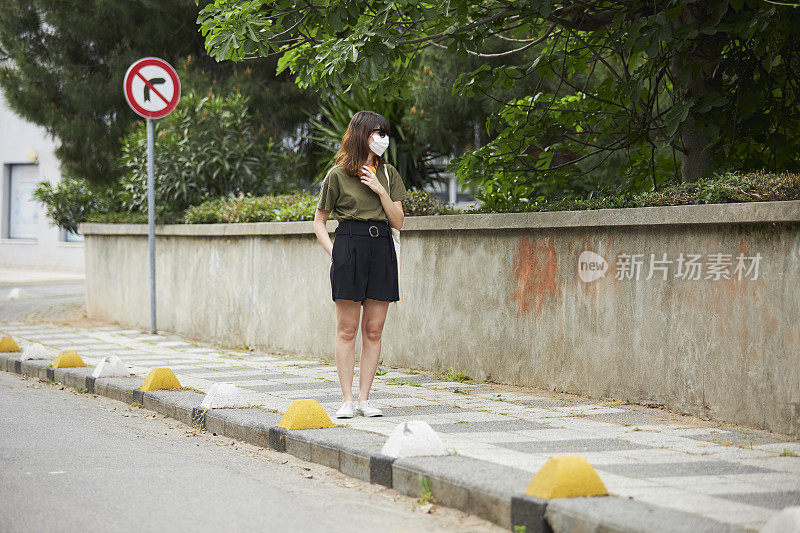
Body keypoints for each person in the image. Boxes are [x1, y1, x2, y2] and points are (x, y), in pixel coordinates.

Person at [313, 111, 410, 419]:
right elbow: (319, 222)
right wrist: (335, 253)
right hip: (349, 245)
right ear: (361, 135)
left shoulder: (389, 173)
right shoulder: (337, 174)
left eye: (385, 132)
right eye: (376, 132)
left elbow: (398, 221)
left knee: (374, 329)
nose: (382, 138)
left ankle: (365, 398)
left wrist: (380, 190)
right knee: (347, 329)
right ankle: (346, 399)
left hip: (381, 246)